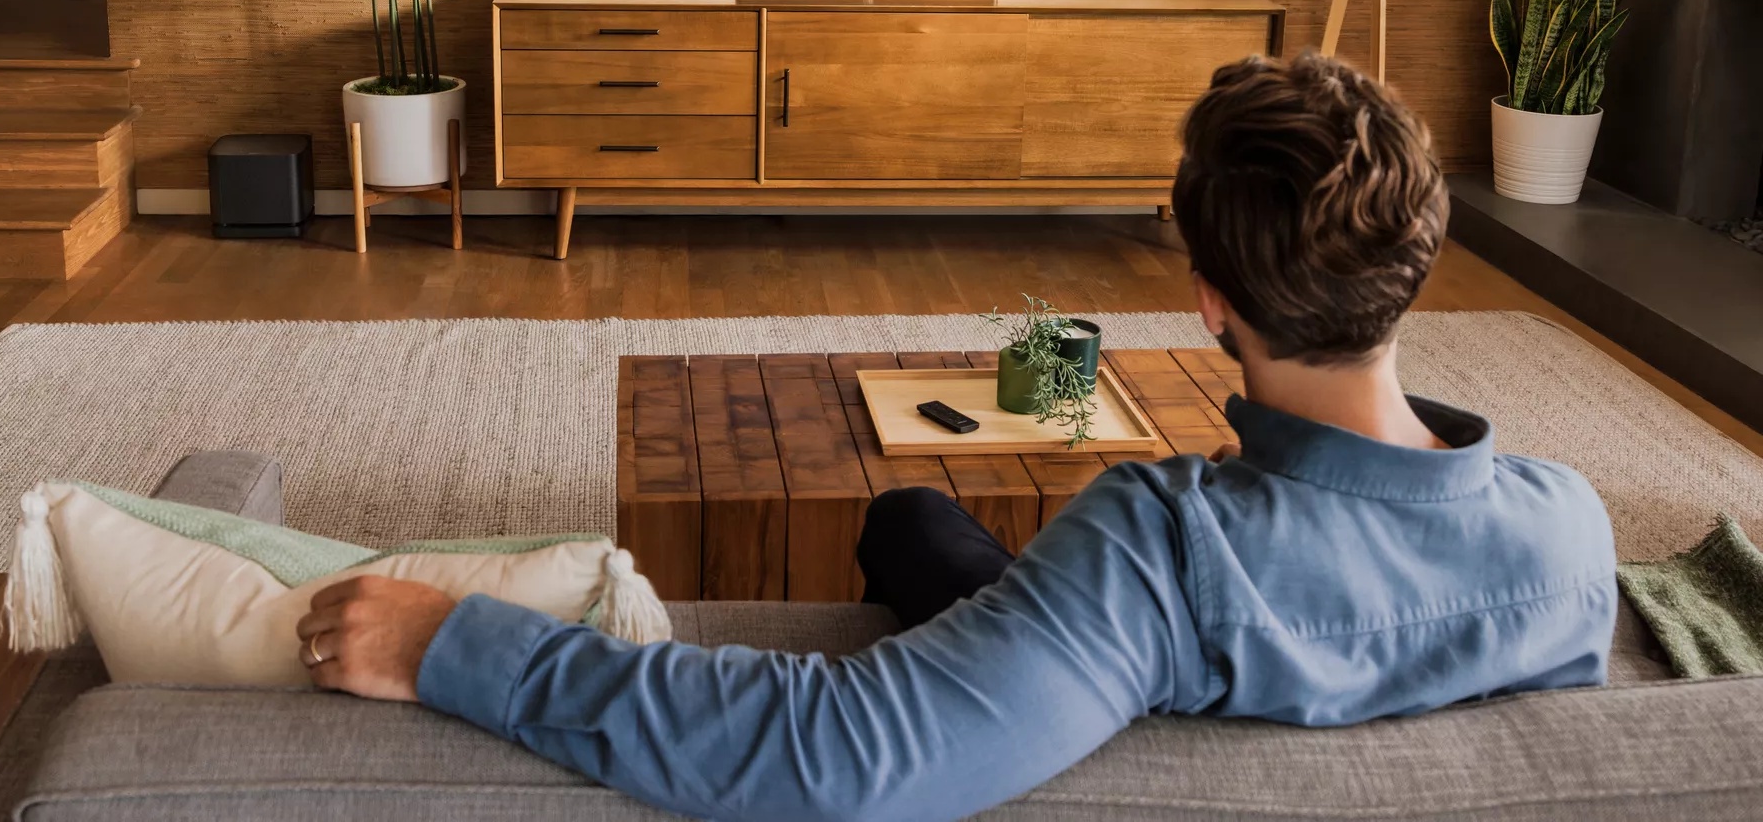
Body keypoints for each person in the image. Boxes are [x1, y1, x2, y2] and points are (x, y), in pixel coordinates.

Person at [293, 52, 1618, 822]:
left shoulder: (1159, 550)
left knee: (911, 529)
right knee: (916, 524)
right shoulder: (1572, 528)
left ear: (1210, 302)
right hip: (1144, 645)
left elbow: (830, 752)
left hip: (1115, 654)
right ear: (1419, 263)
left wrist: (456, 641)